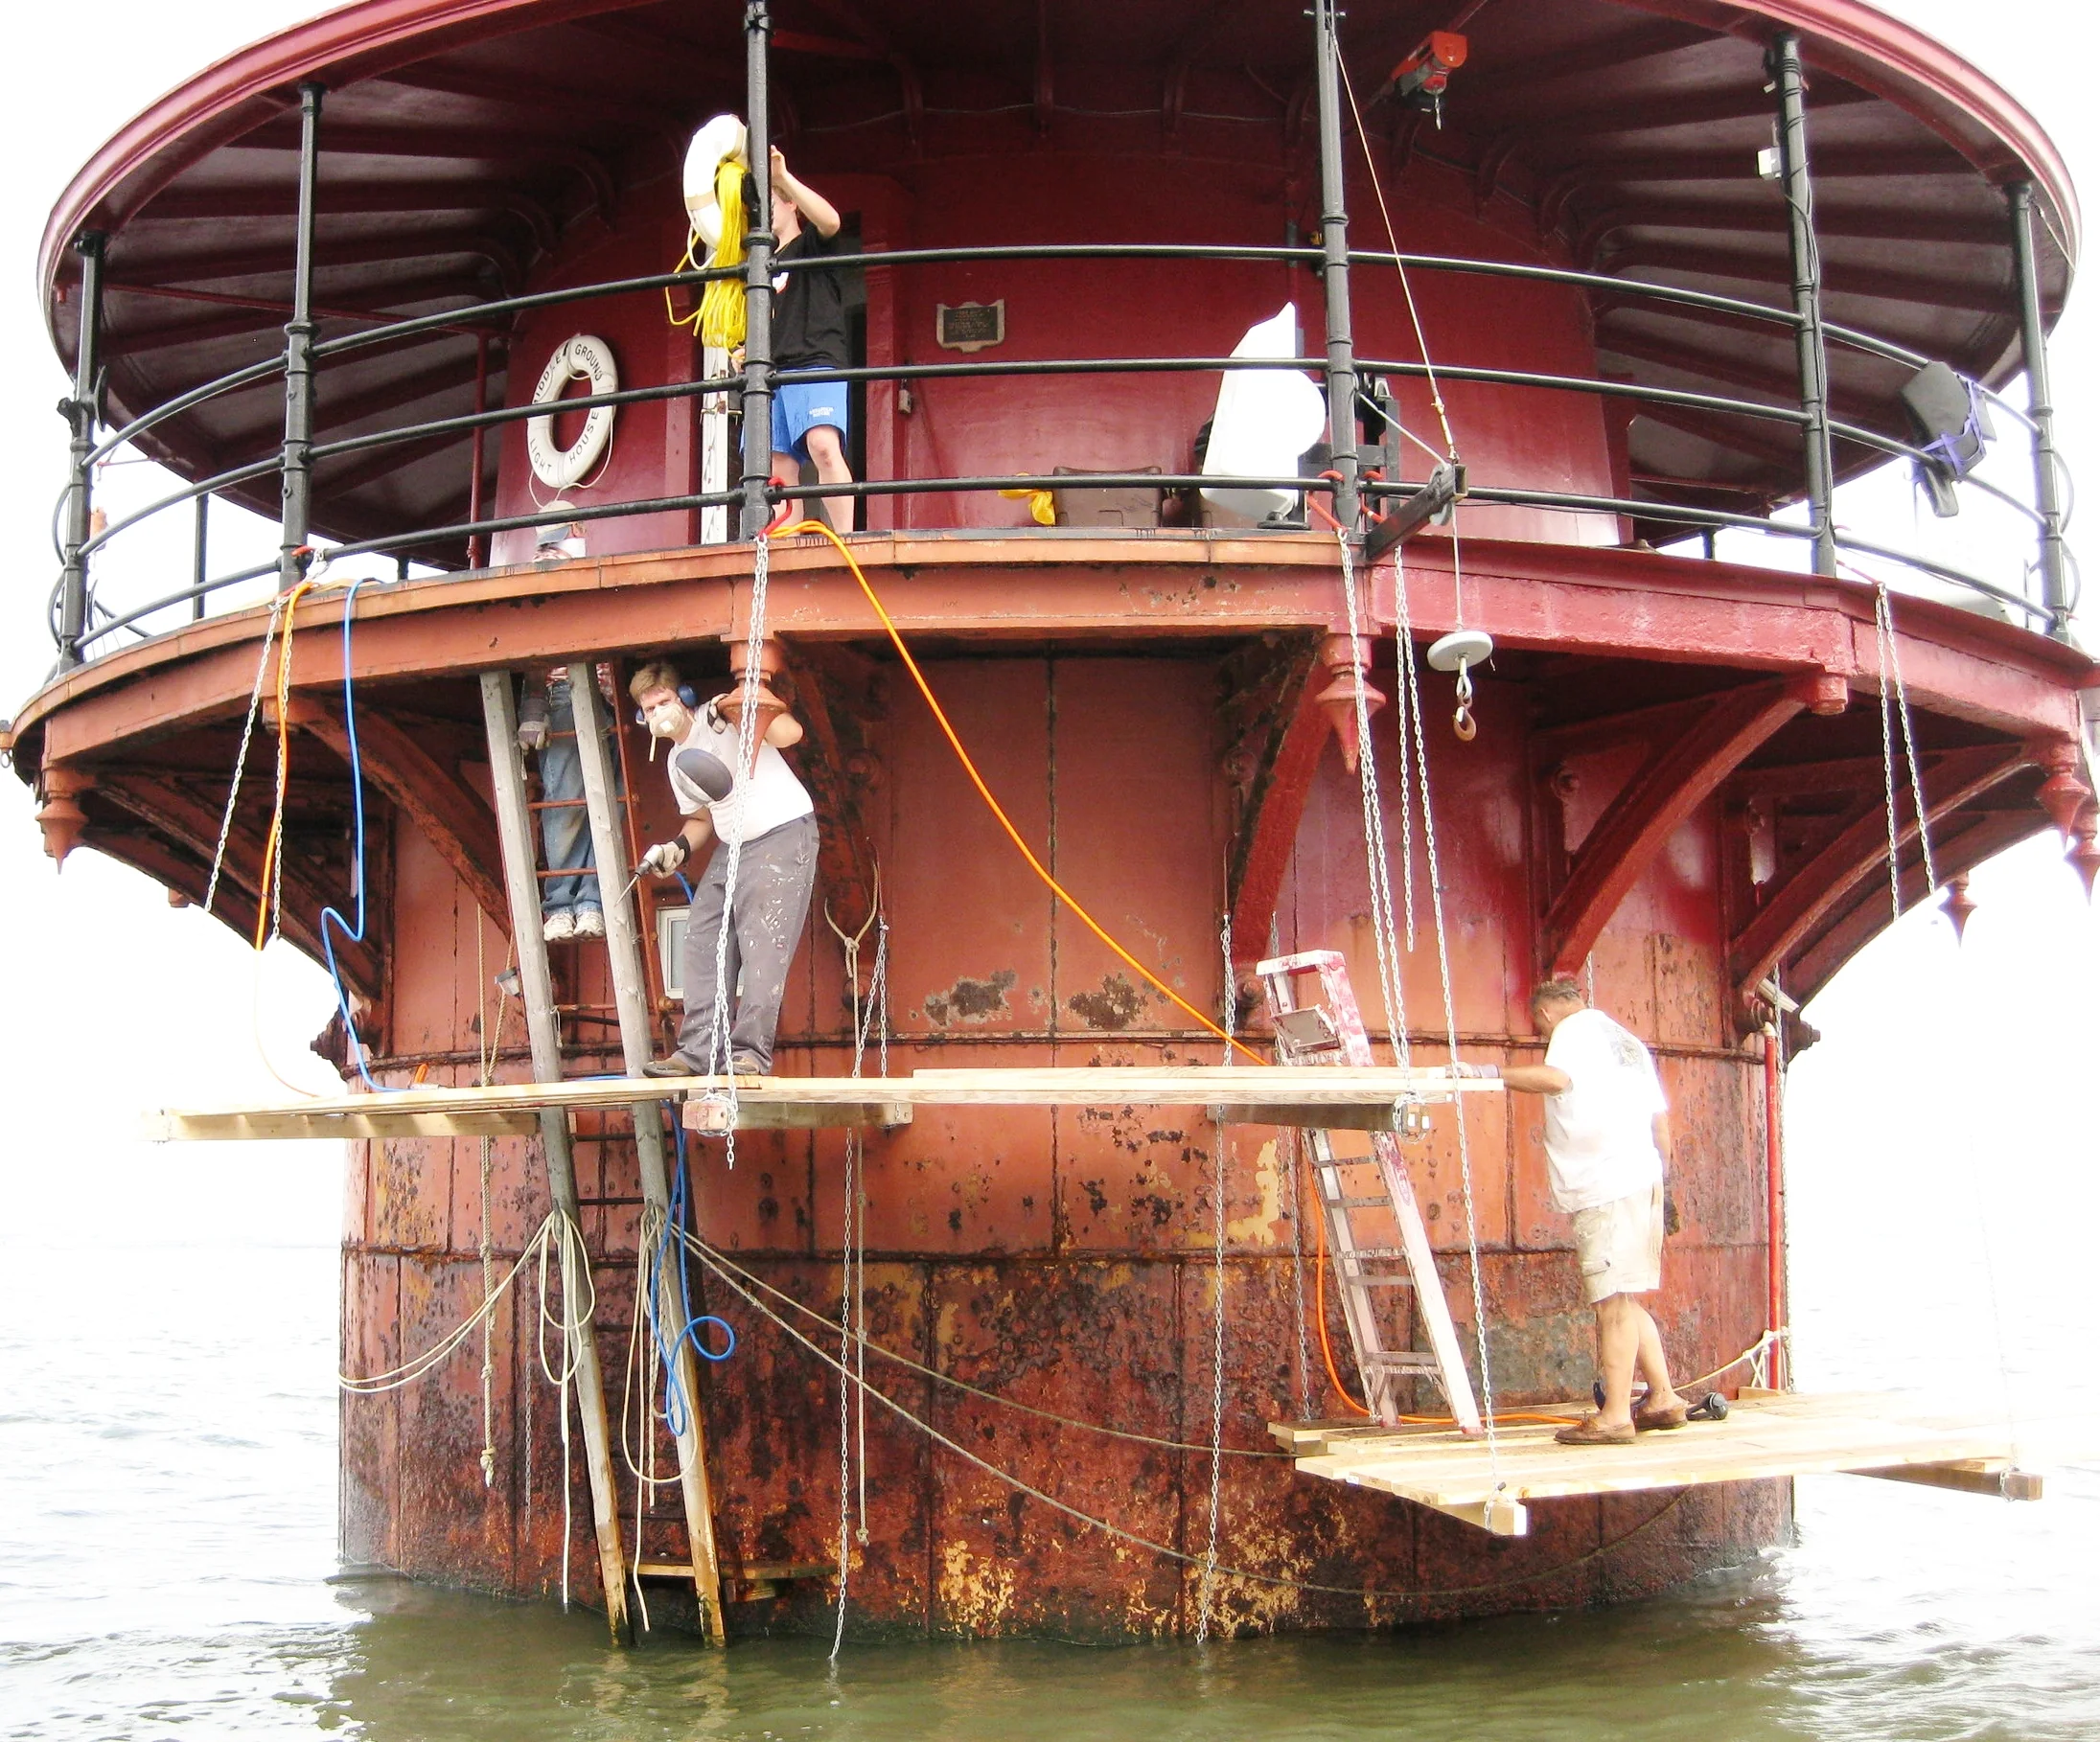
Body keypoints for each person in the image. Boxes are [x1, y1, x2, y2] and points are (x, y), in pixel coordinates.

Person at [1459, 979, 1688, 1446]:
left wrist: (1488, 1073)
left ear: (1544, 1015)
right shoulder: (1627, 1043)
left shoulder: (1572, 1031)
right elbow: (1659, 1124)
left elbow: (1556, 1079)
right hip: (1642, 1177)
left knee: (1611, 1304)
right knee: (1623, 1295)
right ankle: (1662, 1397)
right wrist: (1665, 1191)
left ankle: (1616, 1417)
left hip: (1605, 1185)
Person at [628, 658, 817, 1079]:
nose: (658, 714)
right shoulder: (677, 762)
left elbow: (791, 735)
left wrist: (744, 707)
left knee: (762, 942)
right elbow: (700, 820)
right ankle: (697, 1053)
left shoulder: (721, 720)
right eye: (649, 709)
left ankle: (749, 1055)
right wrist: (676, 848)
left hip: (782, 832)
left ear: (685, 698)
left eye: (663, 702)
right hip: (733, 845)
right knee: (702, 936)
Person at [765, 147, 855, 533]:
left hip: (817, 358)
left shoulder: (813, 244)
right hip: (775, 371)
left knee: (822, 445)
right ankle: (786, 547)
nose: (762, 212)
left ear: (789, 204)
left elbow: (831, 220)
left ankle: (850, 540)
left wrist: (783, 178)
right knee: (779, 463)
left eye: (769, 202)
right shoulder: (760, 264)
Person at [516, 662, 603, 942]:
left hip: (612, 695)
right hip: (565, 689)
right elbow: (534, 634)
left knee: (606, 806)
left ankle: (591, 903)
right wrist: (534, 703)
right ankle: (560, 906)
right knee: (568, 800)